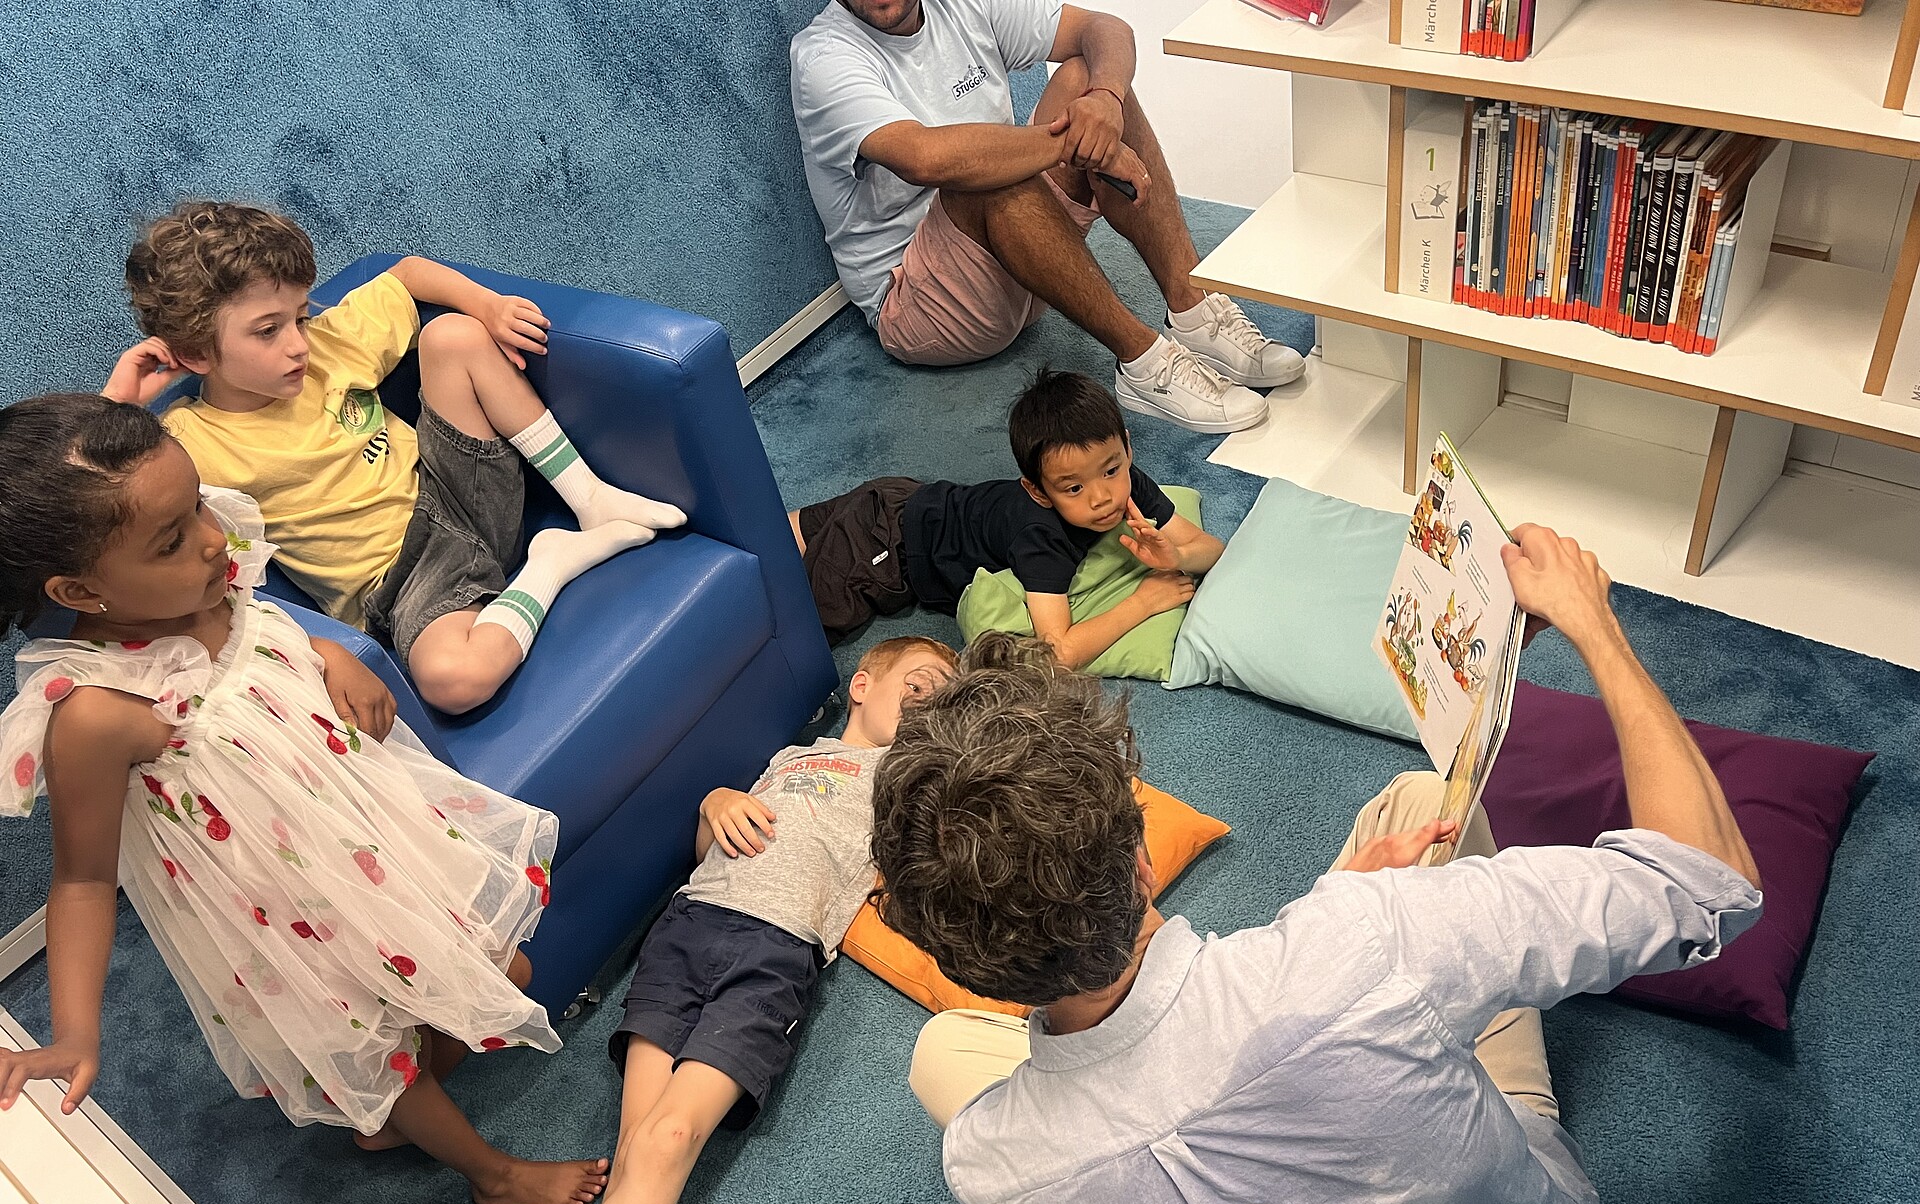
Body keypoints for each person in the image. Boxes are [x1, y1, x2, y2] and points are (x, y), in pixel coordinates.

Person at [870, 530, 1764, 1204]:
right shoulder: (1370, 940)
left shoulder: (989, 1166)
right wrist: (1591, 620)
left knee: (941, 1051)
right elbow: (1708, 886)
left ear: (956, 959)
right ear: (1143, 860)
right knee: (1426, 805)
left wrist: (1342, 918)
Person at [0, 396, 609, 1204]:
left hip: (359, 828)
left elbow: (256, 627)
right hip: (281, 906)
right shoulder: (97, 711)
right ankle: (490, 1175)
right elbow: (81, 880)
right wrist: (75, 1032)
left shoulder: (199, 576)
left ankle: (393, 1114)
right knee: (377, 1048)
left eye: (198, 505)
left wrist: (327, 654)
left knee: (498, 967)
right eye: (173, 538)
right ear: (81, 589)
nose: (212, 539)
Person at [496, 635, 957, 1204]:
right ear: (863, 684)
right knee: (640, 1154)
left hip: (775, 954)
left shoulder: (910, 781)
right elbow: (709, 849)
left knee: (669, 1140)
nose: (929, 701)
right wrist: (715, 802)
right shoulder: (790, 756)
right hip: (687, 927)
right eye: (920, 684)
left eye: (944, 699)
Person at [101, 199, 687, 715]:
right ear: (195, 354)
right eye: (267, 331)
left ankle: (590, 498)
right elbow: (103, 498)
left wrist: (487, 306)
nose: (298, 345)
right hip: (403, 583)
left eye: (300, 317)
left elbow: (406, 275)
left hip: (457, 494)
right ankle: (553, 561)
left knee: (452, 336)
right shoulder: (189, 441)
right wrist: (117, 407)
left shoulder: (329, 344)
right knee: (455, 681)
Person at [790, 0, 1304, 434]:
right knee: (984, 170)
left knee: (1089, 82)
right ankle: (1145, 365)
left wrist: (1105, 102)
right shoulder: (823, 57)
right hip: (921, 303)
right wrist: (1085, 145)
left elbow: (1105, 28)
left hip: (1021, 257)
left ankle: (1194, 312)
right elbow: (925, 159)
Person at [790, 368, 1221, 667]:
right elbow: (1057, 654)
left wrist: (1176, 556)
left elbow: (1212, 550)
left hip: (904, 497)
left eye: (1111, 470)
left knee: (776, 538)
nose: (1102, 498)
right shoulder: (1040, 535)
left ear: (1126, 448)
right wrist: (1143, 602)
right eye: (1073, 488)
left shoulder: (1127, 480)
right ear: (1037, 490)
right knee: (797, 638)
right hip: (886, 548)